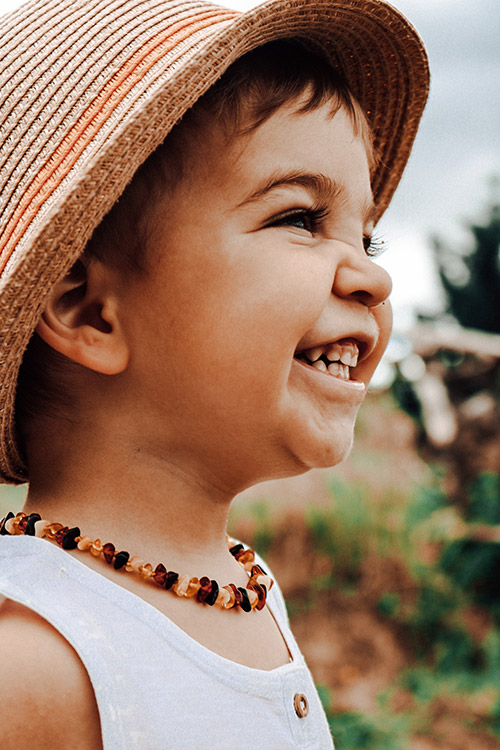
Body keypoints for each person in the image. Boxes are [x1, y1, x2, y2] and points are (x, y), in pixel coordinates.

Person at [0, 0, 429, 747]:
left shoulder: (245, 587)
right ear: (89, 311)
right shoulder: (35, 663)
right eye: (300, 218)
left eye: (369, 236)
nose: (372, 278)